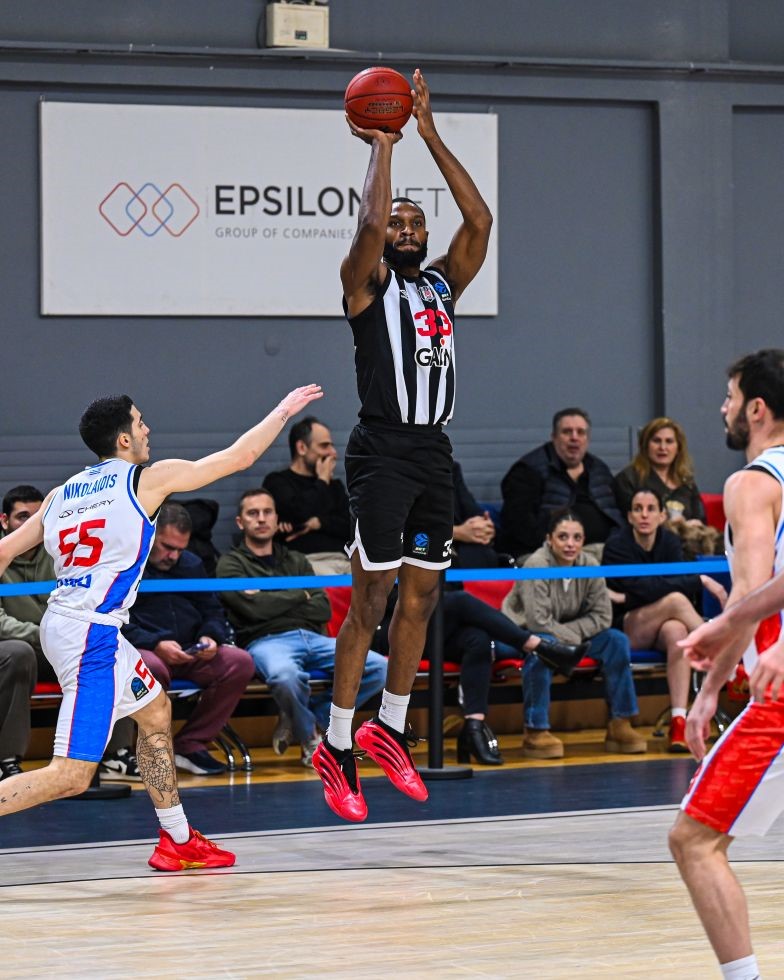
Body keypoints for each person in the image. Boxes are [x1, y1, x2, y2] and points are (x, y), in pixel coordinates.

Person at [0, 382, 322, 870]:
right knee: (71, 776)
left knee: (154, 710)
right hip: (89, 635)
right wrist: (282, 410)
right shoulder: (144, 481)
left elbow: (4, 551)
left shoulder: (61, 495)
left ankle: (177, 838)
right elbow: (240, 457)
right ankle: (176, 836)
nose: (147, 429)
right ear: (124, 439)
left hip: (77, 624)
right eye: (140, 422)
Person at [311, 68, 493, 822]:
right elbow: (365, 231)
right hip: (381, 450)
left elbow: (479, 219)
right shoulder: (365, 283)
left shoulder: (443, 286)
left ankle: (388, 728)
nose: (408, 228)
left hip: (432, 453)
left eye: (416, 222)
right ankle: (336, 743)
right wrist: (382, 147)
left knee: (422, 597)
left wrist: (429, 133)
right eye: (399, 222)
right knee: (373, 599)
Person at [668, 349, 784, 980]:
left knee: (694, 840)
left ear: (756, 409)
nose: (723, 408)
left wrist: (709, 689)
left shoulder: (752, 483)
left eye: (731, 397)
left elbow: (750, 592)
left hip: (780, 695)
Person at [217, 490, 386, 767]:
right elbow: (253, 611)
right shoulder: (230, 564)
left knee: (380, 668)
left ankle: (304, 716)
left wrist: (268, 597)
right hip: (266, 641)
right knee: (285, 677)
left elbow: (322, 608)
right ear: (240, 522)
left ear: (276, 519)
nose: (261, 519)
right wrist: (300, 595)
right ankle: (309, 737)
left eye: (267, 512)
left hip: (313, 637)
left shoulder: (296, 560)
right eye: (253, 513)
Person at [1, 483, 141, 781]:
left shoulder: (61, 551)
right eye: (22, 517)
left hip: (59, 641)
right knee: (18, 654)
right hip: (19, 646)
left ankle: (116, 755)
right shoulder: (3, 553)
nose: (31, 524)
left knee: (108, 650)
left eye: (37, 517)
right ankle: (6, 758)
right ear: (4, 521)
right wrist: (42, 633)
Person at [376, 585, 587, 765]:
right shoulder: (396, 554)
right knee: (460, 601)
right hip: (395, 630)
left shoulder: (444, 553)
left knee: (478, 640)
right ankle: (538, 646)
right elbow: (390, 599)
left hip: (440, 628)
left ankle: (473, 725)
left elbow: (451, 589)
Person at [122, 502, 255, 776]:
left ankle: (191, 743)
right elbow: (116, 621)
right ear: (150, 535)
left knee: (239, 662)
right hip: (147, 649)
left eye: (180, 549)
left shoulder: (192, 563)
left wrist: (210, 636)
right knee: (149, 667)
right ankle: (151, 747)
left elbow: (213, 610)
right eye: (167, 547)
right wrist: (155, 643)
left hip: (191, 650)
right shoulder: (125, 564)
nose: (173, 556)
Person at [502, 508, 646, 759]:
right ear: (549, 539)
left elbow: (603, 616)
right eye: (563, 537)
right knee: (543, 647)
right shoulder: (536, 564)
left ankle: (620, 724)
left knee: (616, 640)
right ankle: (535, 730)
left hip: (572, 633)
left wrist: (571, 638)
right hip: (528, 632)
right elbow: (537, 621)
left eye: (577, 538)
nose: (570, 544)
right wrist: (570, 640)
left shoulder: (589, 564)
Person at [602, 488, 702, 752]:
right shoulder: (616, 545)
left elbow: (679, 582)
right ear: (629, 517)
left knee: (677, 631)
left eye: (650, 509)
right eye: (638, 509)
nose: (644, 515)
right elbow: (661, 587)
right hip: (628, 628)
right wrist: (656, 589)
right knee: (675, 601)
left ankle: (678, 720)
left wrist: (632, 594)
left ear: (662, 515)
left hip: (660, 624)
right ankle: (724, 652)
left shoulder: (670, 542)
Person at [500, 407, 624, 562]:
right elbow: (518, 525)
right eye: (567, 432)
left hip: (602, 550)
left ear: (587, 439)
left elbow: (617, 516)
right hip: (548, 553)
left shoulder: (599, 470)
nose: (574, 437)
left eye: (580, 432)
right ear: (554, 437)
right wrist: (562, 546)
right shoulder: (527, 470)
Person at [613, 416, 720, 559]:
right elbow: (629, 522)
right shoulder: (628, 479)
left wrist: (690, 526)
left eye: (669, 441)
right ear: (645, 445)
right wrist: (668, 524)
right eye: (656, 441)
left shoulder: (687, 482)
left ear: (678, 447)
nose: (663, 448)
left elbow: (700, 519)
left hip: (689, 548)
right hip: (646, 551)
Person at [262, 416, 351, 575]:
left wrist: (318, 523)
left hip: (344, 559)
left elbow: (349, 526)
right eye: (324, 446)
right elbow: (297, 513)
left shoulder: (335, 486)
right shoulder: (278, 482)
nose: (333, 453)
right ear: (302, 447)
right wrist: (322, 481)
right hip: (304, 562)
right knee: (332, 580)